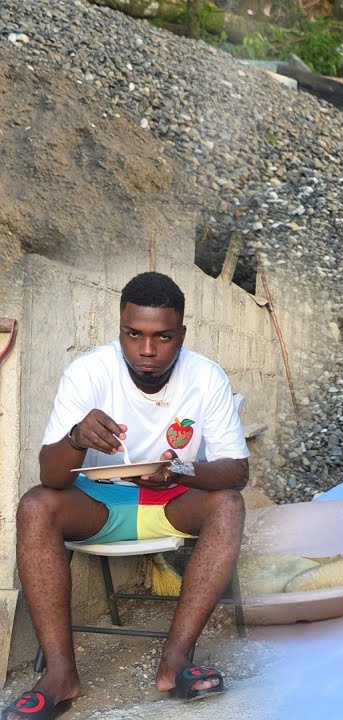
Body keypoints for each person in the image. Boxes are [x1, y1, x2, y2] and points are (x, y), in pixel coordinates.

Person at [5, 272, 249, 718]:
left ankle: (176, 662)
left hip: (174, 499)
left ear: (182, 335)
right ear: (119, 326)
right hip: (99, 504)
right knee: (36, 504)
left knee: (229, 506)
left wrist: (180, 469)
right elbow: (51, 475)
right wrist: (77, 438)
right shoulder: (88, 372)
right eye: (133, 334)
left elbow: (237, 471)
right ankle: (60, 674)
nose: (147, 350)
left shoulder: (206, 376)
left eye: (163, 337)